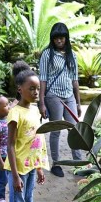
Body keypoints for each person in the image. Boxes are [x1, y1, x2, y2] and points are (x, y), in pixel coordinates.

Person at [5, 66, 48, 202]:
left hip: (31, 166)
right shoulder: (15, 113)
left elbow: (35, 142)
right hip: (18, 169)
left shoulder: (34, 110)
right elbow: (11, 146)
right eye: (31, 88)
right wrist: (14, 176)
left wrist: (39, 167)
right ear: (19, 89)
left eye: (37, 88)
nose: (36, 92)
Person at [38, 22, 82, 177]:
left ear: (66, 38)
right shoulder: (47, 54)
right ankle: (56, 163)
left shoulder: (72, 55)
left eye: (62, 38)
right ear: (53, 39)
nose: (59, 41)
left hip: (69, 95)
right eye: (56, 38)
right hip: (53, 96)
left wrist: (78, 102)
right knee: (56, 130)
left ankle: (79, 163)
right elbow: (42, 79)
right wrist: (42, 102)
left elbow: (75, 80)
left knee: (74, 130)